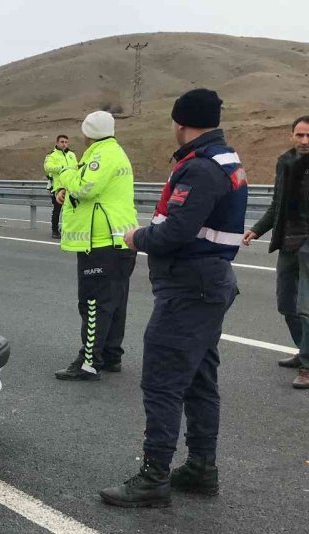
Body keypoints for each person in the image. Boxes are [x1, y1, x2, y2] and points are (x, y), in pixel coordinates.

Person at [101, 89, 248, 507]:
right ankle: (202, 467)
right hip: (208, 281)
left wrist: (135, 237)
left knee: (163, 381)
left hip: (191, 286)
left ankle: (154, 476)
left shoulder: (200, 169)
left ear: (180, 123)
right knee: (199, 378)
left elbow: (175, 232)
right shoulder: (224, 159)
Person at [51, 111, 138, 381]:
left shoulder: (101, 155)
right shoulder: (114, 151)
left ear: (88, 132)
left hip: (101, 242)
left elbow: (86, 186)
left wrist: (65, 175)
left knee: (92, 303)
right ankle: (111, 355)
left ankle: (88, 362)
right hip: (120, 239)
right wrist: (65, 191)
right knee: (114, 301)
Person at [243, 116, 309, 388]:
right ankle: (303, 349)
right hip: (288, 241)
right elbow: (277, 204)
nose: (304, 141)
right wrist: (257, 229)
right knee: (286, 304)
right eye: (300, 135)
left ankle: (307, 363)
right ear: (291, 135)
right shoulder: (285, 162)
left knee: (306, 307)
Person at [44, 135, 78, 239]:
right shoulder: (52, 155)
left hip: (70, 187)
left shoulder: (72, 154)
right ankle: (55, 230)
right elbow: (47, 168)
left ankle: (66, 229)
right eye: (62, 142)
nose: (64, 144)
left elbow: (76, 167)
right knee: (57, 210)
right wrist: (62, 168)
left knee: (70, 210)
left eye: (66, 142)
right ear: (57, 143)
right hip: (57, 187)